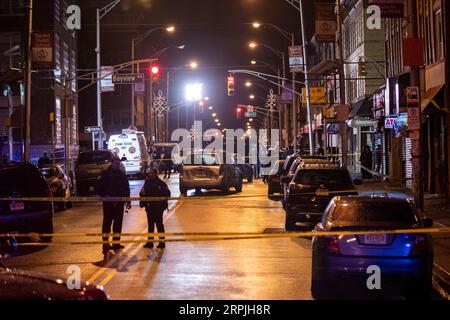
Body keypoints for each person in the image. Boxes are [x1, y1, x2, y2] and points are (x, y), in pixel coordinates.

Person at [97, 155, 131, 255]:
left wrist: (128, 200)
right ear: (111, 163)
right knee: (107, 224)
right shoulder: (105, 174)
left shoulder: (121, 174)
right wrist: (104, 195)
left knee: (118, 224)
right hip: (108, 203)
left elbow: (126, 187)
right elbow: (99, 186)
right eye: (116, 163)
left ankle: (116, 243)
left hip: (119, 203)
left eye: (119, 163)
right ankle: (105, 244)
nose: (118, 164)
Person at [140, 168, 171, 249]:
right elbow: (142, 193)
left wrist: (163, 203)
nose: (150, 175)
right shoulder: (147, 183)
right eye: (149, 173)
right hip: (149, 207)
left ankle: (162, 242)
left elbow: (168, 194)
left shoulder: (161, 184)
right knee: (150, 225)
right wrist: (142, 198)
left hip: (158, 208)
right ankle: (150, 242)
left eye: (152, 173)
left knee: (159, 224)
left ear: (156, 174)